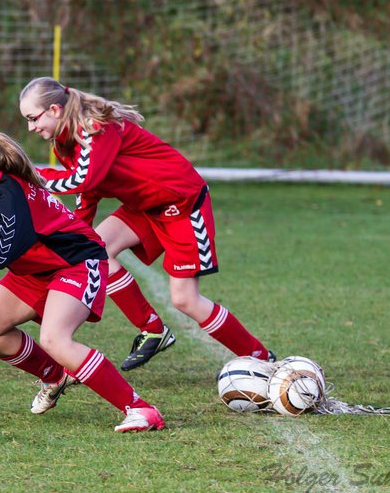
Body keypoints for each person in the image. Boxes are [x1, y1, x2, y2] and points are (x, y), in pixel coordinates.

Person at [0, 129, 165, 432]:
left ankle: (141, 409)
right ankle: (54, 375)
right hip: (34, 269)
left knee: (55, 339)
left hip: (75, 264)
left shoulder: (7, 194)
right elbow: (11, 229)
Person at [18, 77, 274, 371]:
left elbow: (85, 179)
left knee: (185, 300)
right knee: (96, 249)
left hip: (182, 204)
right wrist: (79, 232)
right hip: (144, 206)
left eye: (32, 118)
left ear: (54, 109)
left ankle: (261, 359)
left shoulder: (94, 128)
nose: (31, 127)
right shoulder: (64, 141)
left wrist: (33, 176)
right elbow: (87, 191)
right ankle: (153, 329)